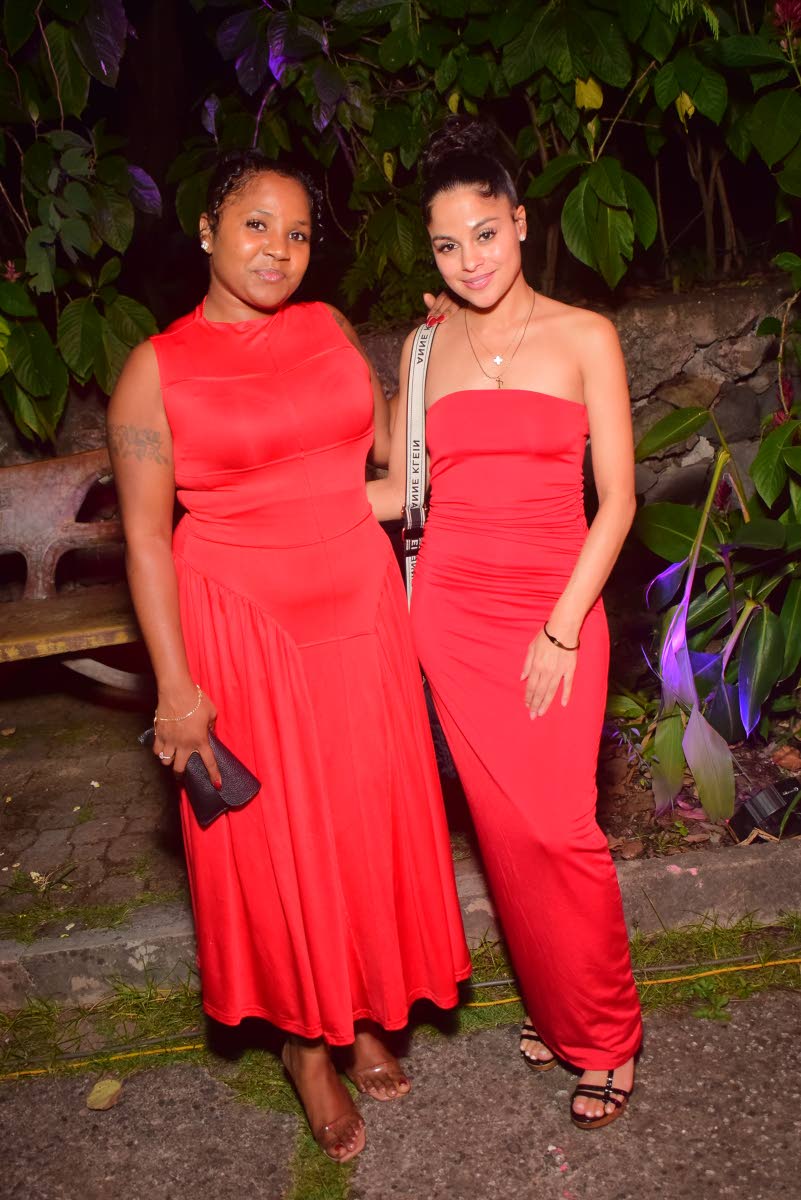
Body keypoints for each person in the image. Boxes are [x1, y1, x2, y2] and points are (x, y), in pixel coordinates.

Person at [106, 150, 471, 1163]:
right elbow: (143, 538)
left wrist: (422, 366)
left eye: (301, 232)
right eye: (259, 224)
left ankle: (358, 1017)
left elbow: (386, 462)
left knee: (359, 825)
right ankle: (307, 1047)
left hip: (355, 611)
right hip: (241, 628)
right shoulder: (156, 366)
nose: (280, 249)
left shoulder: (327, 330)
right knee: (279, 850)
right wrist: (176, 688)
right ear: (212, 225)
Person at [368, 117, 642, 1131]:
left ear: (521, 223)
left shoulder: (585, 336)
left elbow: (616, 501)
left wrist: (564, 626)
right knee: (504, 836)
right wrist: (270, 508)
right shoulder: (427, 345)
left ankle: (608, 1036)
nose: (469, 260)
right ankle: (562, 1012)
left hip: (555, 609)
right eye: (447, 245)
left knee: (560, 831)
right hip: (451, 618)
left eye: (486, 233)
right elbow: (402, 491)